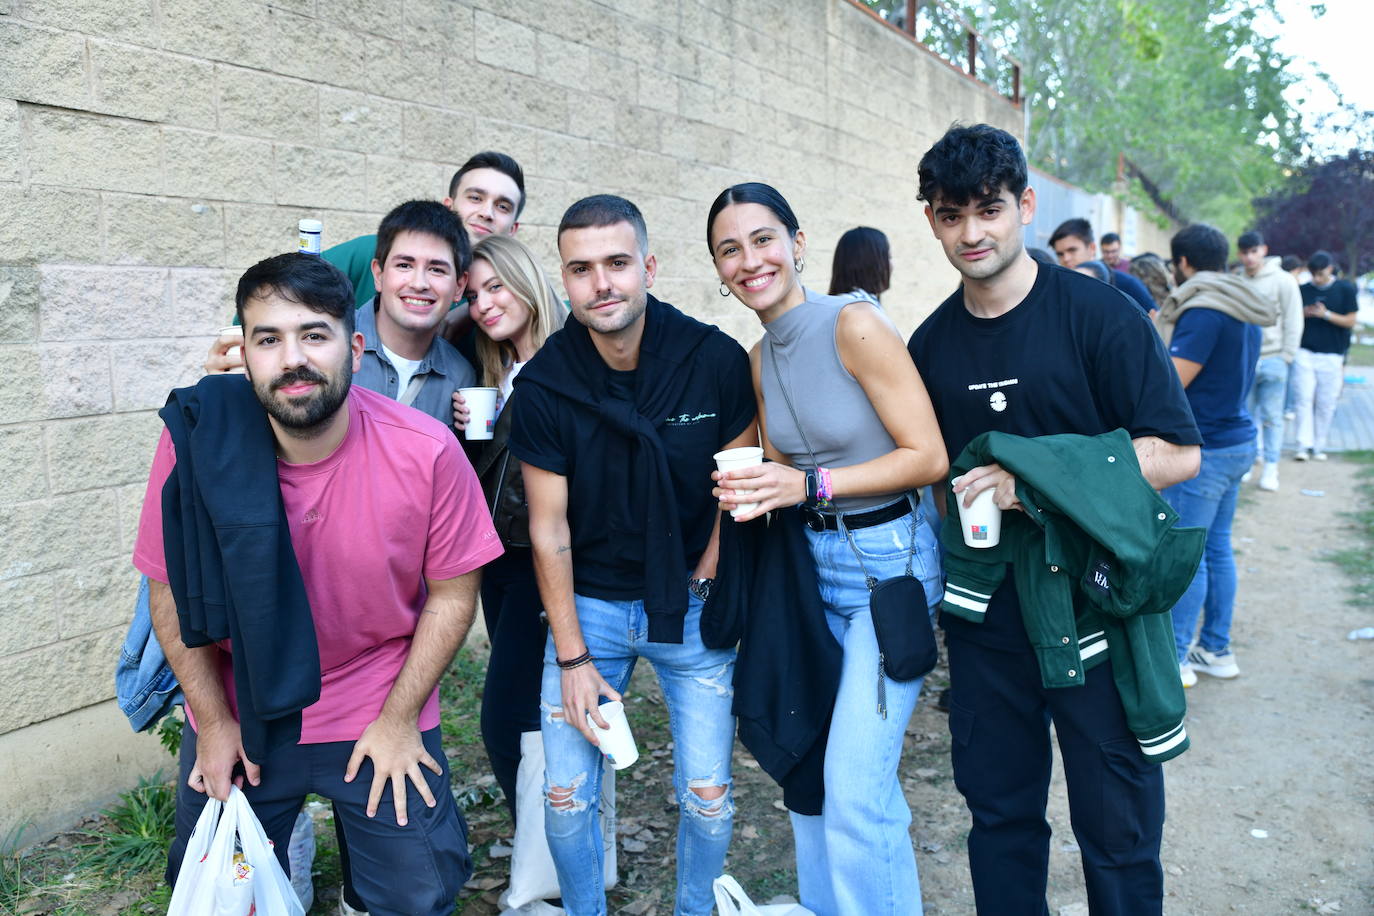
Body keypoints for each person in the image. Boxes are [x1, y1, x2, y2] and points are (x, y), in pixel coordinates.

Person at [134, 252, 503, 915]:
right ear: (241, 353)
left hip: (378, 694)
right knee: (221, 897)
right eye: (268, 339)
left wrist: (397, 721)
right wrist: (213, 724)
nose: (292, 358)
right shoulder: (197, 441)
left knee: (419, 894)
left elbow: (453, 593)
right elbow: (167, 588)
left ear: (354, 347)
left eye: (313, 334)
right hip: (242, 702)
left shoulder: (425, 449)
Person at [908, 123, 1201, 914]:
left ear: (1026, 207)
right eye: (950, 214)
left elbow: (1176, 453)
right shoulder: (929, 347)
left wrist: (1034, 481)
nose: (972, 232)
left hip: (1097, 609)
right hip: (990, 628)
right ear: (931, 219)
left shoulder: (1100, 318)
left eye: (990, 209)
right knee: (999, 819)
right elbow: (933, 480)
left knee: (1120, 832)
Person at [507, 195, 757, 916]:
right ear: (564, 278)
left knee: (708, 797)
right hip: (590, 606)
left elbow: (732, 481)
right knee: (565, 795)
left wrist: (707, 571)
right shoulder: (548, 384)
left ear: (648, 266)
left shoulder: (711, 359)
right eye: (581, 269)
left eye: (617, 263)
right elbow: (548, 529)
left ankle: (693, 908)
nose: (602, 283)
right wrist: (573, 656)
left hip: (687, 602)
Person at [708, 183, 947, 916]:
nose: (750, 260)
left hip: (890, 572)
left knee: (854, 785)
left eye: (763, 239)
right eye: (729, 249)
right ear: (718, 268)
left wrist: (806, 486)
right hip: (813, 577)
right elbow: (775, 467)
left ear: (798, 243)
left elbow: (929, 456)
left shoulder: (854, 323)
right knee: (815, 770)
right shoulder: (757, 357)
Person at [204, 151, 526, 372]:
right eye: (475, 197)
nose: (486, 211)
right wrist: (239, 353)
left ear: (513, 229)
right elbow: (277, 296)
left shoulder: (496, 303)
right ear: (449, 205)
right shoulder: (370, 252)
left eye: (501, 206)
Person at [462, 234, 567, 879]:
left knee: (507, 722)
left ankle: (551, 859)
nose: (483, 304)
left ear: (526, 281)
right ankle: (554, 850)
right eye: (472, 295)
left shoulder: (566, 361)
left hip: (542, 562)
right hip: (497, 564)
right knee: (532, 717)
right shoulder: (497, 371)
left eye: (496, 286)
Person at [1155, 225, 1273, 686]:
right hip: (1237, 441)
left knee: (1190, 554)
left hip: (1206, 449)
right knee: (1216, 548)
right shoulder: (1241, 302)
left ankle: (1180, 657)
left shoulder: (1204, 310)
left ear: (1182, 263)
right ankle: (1216, 649)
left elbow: (1172, 382)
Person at [1237, 230, 1303, 491]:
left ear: (1263, 250)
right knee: (1245, 415)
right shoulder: (1238, 281)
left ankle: (1271, 469)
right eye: (1244, 252)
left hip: (1274, 357)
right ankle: (1248, 463)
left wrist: (1287, 355)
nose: (1249, 257)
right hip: (1245, 359)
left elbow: (1293, 318)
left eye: (1253, 251)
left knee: (1272, 417)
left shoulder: (1283, 280)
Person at [1294, 251, 1360, 461]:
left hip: (1332, 353)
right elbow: (1291, 316)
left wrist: (1326, 315)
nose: (1317, 279)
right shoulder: (1303, 290)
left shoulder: (1344, 289)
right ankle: (1302, 444)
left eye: (1321, 274)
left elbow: (1351, 320)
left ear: (1330, 269)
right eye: (1314, 274)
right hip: (1305, 351)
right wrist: (1304, 313)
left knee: (1326, 401)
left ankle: (1319, 444)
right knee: (1303, 398)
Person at [1050, 217, 1155, 315]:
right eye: (1060, 254)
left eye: (1072, 250)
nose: (1066, 258)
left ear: (1092, 248)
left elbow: (1154, 318)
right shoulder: (1057, 288)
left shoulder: (1125, 283)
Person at [826, 225, 892, 305]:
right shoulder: (854, 305)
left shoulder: (843, 302)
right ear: (870, 263)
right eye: (888, 257)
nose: (891, 265)